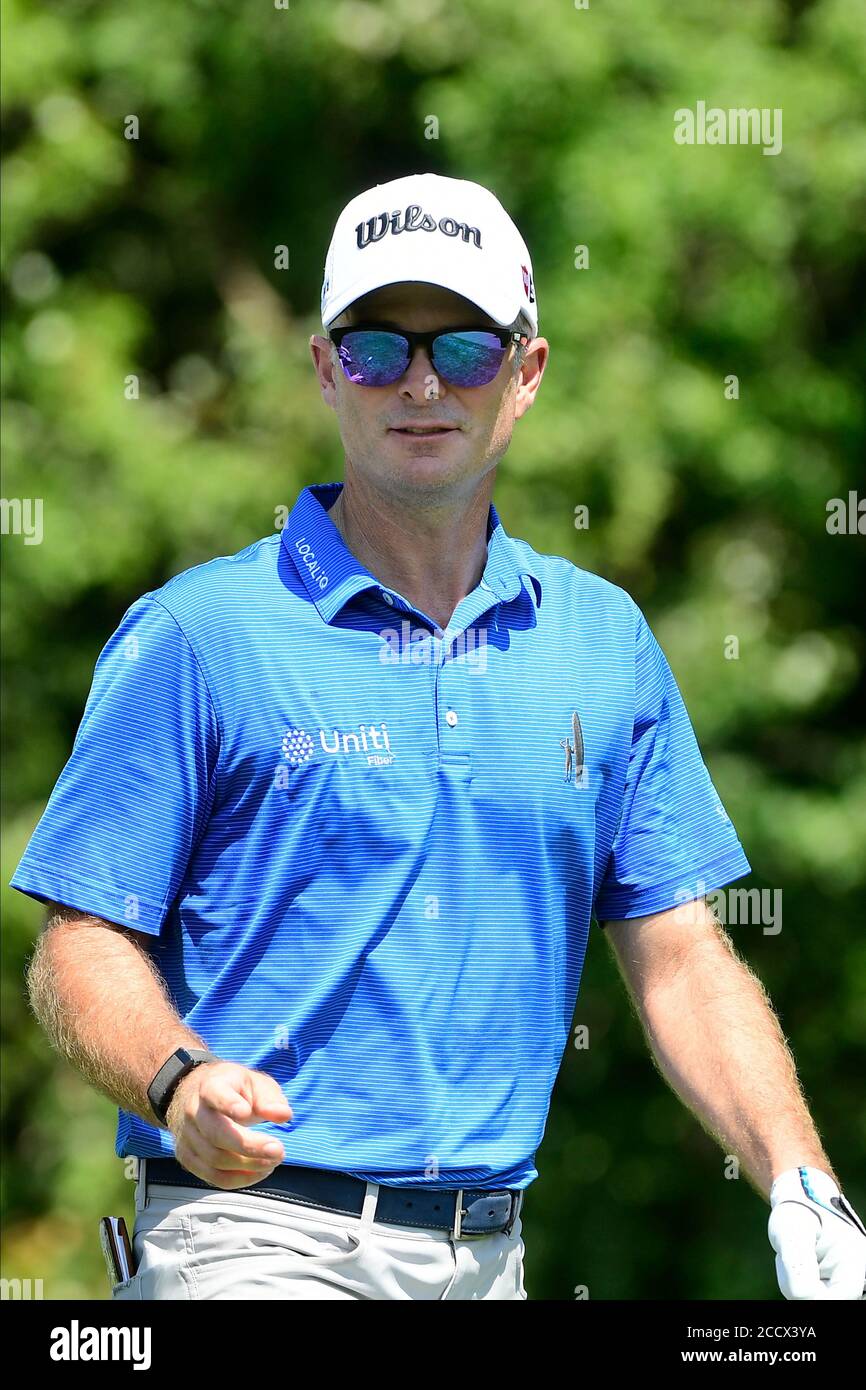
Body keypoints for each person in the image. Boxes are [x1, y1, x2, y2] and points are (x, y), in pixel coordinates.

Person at [12, 173, 865, 1301]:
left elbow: (680, 957)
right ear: (325, 367)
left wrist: (799, 1178)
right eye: (376, 348)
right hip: (251, 1237)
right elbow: (77, 943)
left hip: (488, 1255)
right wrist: (178, 1082)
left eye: (462, 349)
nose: (420, 383)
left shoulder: (600, 639)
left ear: (525, 374)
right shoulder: (200, 633)